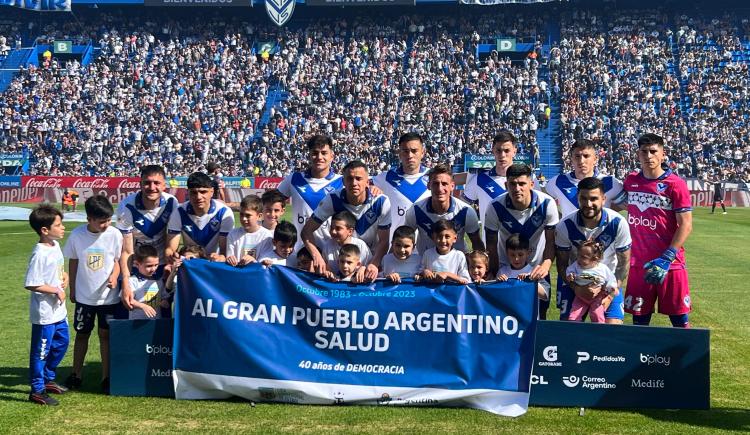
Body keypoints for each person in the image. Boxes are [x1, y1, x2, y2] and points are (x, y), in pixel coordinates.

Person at [622, 133, 693, 328]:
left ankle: (686, 359)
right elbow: (616, 204)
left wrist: (667, 257)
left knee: (679, 320)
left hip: (670, 264)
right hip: (639, 264)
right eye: (644, 152)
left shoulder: (675, 184)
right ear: (638, 154)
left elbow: (686, 224)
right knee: (639, 321)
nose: (649, 156)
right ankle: (640, 358)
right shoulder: (631, 181)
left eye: (653, 151)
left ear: (663, 154)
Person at [63, 195, 123, 394]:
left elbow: (117, 261)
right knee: (82, 334)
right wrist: (72, 287)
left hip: (108, 298)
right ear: (89, 219)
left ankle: (106, 377)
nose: (106, 224)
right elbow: (73, 261)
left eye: (108, 220)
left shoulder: (114, 234)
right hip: (84, 297)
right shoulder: (77, 236)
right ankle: (76, 374)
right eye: (101, 221)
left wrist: (114, 277)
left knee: (105, 335)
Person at [484, 164, 558, 319]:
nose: (517, 188)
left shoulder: (546, 204)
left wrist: (545, 265)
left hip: (536, 267)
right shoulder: (495, 206)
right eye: (512, 184)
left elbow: (551, 242)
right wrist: (494, 271)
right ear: (506, 185)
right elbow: (491, 244)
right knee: (504, 313)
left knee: (539, 314)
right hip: (507, 268)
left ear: (531, 184)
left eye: (522, 183)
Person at [555, 177, 631, 324]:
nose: (588, 204)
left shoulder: (618, 223)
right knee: (568, 330)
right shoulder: (565, 225)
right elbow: (562, 265)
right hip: (576, 282)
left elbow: (624, 263)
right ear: (577, 198)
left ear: (603, 199)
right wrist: (576, 288)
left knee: (612, 328)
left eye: (594, 199)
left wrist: (609, 295)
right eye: (583, 198)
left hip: (608, 282)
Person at [302, 160, 391, 282]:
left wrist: (374, 264)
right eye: (349, 178)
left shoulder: (381, 202)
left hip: (369, 262)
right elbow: (306, 231)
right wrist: (317, 256)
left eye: (359, 179)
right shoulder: (333, 199)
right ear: (343, 182)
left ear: (367, 182)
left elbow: (384, 240)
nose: (354, 183)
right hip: (342, 264)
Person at [25, 205, 70, 406]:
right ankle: (37, 390)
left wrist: (65, 277)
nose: (63, 228)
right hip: (45, 313)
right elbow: (32, 283)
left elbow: (58, 269)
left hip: (59, 310)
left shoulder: (55, 245)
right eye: (58, 225)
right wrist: (56, 290)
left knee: (62, 343)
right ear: (44, 230)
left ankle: (48, 378)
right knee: (41, 352)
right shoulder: (39, 253)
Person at [117, 165, 178, 311]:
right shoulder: (126, 206)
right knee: (130, 308)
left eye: (157, 183)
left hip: (160, 264)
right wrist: (126, 281)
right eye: (147, 182)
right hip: (136, 264)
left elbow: (170, 237)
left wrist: (169, 263)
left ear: (164, 185)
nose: (152, 187)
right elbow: (126, 250)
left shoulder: (172, 203)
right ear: (140, 184)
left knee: (162, 311)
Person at [277, 134, 343, 248]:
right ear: (309, 155)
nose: (319, 157)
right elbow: (271, 203)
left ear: (332, 156)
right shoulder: (294, 179)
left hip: (331, 253)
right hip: (299, 251)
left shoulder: (342, 182)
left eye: (324, 153)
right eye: (315, 153)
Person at [404, 163, 484, 254]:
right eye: (435, 184)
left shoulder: (466, 211)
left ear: (452, 186)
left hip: (456, 265)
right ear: (428, 185)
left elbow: (477, 244)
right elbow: (404, 239)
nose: (440, 188)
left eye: (444, 184)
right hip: (425, 264)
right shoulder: (416, 210)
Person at [545, 139, 626, 218]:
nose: (581, 161)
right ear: (571, 159)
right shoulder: (557, 182)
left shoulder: (611, 183)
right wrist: (560, 221)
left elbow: (628, 207)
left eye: (586, 156)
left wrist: (603, 214)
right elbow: (544, 203)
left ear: (595, 159)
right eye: (577, 156)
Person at [462, 131, 520, 240]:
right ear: (493, 151)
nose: (502, 155)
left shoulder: (526, 179)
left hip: (519, 250)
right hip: (489, 249)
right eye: (498, 150)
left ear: (514, 151)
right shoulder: (479, 179)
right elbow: (461, 209)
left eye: (507, 151)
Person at [372, 132, 431, 240]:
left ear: (423, 152)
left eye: (414, 151)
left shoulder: (433, 177)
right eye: (405, 151)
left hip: (426, 251)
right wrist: (371, 187)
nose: (410, 155)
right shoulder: (386, 178)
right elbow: (362, 182)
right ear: (399, 153)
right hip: (397, 250)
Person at [166, 172, 235, 262]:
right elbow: (171, 249)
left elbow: (224, 252)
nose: (198, 197)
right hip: (190, 262)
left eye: (203, 192)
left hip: (213, 263)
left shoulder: (223, 212)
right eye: (194, 192)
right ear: (188, 193)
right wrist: (172, 256)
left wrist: (220, 258)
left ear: (212, 191)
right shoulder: (179, 212)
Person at [565, 240, 619, 323]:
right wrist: (570, 276)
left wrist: (611, 290)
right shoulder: (576, 265)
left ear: (595, 259)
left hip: (597, 297)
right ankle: (574, 329)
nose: (579, 259)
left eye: (583, 257)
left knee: (597, 314)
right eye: (578, 256)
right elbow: (569, 271)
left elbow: (611, 280)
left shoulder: (602, 268)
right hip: (580, 296)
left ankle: (598, 330)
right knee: (574, 315)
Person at [497, 234, 551, 304]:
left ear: (528, 253)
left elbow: (545, 295)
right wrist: (499, 283)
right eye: (512, 255)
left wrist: (530, 281)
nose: (516, 259)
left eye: (520, 255)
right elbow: (495, 294)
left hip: (527, 313)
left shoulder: (534, 272)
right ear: (507, 253)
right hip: (507, 312)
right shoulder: (502, 271)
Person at [418, 219, 471, 284]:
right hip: (430, 292)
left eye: (447, 237)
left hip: (451, 293)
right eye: (439, 236)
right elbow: (419, 273)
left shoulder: (459, 256)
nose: (443, 240)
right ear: (433, 237)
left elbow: (465, 281)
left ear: (454, 238)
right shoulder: (427, 254)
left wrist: (447, 274)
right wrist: (424, 272)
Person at [225, 195, 272, 267]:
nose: (244, 218)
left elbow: (265, 262)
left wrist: (253, 261)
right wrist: (230, 259)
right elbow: (229, 256)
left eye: (248, 215)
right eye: (241, 214)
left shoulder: (267, 236)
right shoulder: (233, 234)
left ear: (259, 216)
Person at [126, 245, 167, 320]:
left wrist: (163, 302)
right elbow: (129, 301)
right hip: (137, 323)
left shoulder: (158, 280)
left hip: (155, 322)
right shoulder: (132, 281)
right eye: (149, 266)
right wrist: (143, 306)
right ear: (137, 264)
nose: (153, 269)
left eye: (156, 265)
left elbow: (164, 297)